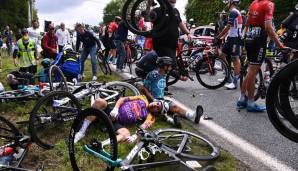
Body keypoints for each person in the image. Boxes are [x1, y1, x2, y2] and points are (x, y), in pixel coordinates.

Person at [238, 0, 286, 112]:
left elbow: (248, 22)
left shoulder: (254, 2)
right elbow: (268, 27)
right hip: (259, 39)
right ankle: (250, 102)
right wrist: (280, 44)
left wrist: (244, 37)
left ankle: (241, 99)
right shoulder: (269, 4)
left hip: (249, 37)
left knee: (250, 70)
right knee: (252, 71)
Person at [140, 56, 203, 126]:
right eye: (169, 66)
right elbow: (143, 88)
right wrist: (153, 99)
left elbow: (158, 88)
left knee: (174, 106)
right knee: (163, 109)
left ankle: (192, 116)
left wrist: (165, 93)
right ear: (164, 66)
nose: (170, 68)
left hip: (161, 99)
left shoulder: (164, 75)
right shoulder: (153, 74)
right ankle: (173, 121)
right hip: (152, 101)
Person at [74, 95, 163, 144]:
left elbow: (143, 127)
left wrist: (135, 136)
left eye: (157, 108)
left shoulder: (151, 117)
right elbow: (123, 99)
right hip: (111, 112)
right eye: (157, 103)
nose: (155, 105)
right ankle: (81, 132)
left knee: (126, 133)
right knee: (100, 101)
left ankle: (101, 145)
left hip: (117, 122)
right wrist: (116, 108)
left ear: (157, 112)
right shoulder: (142, 98)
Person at [151, 0, 191, 82]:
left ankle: (163, 85)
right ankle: (164, 85)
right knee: (167, 64)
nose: (173, 3)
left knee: (166, 65)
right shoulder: (157, 11)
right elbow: (147, 18)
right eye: (171, 1)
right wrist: (148, 4)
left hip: (172, 44)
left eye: (174, 1)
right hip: (161, 43)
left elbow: (180, 23)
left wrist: (187, 33)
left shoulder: (175, 11)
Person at [216, 0, 242, 90]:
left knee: (235, 58)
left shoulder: (234, 12)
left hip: (236, 39)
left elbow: (228, 27)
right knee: (221, 56)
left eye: (227, 2)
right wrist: (223, 37)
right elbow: (231, 28)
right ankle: (228, 78)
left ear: (231, 3)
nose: (227, 4)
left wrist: (219, 36)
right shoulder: (233, 12)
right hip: (231, 38)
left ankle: (235, 83)